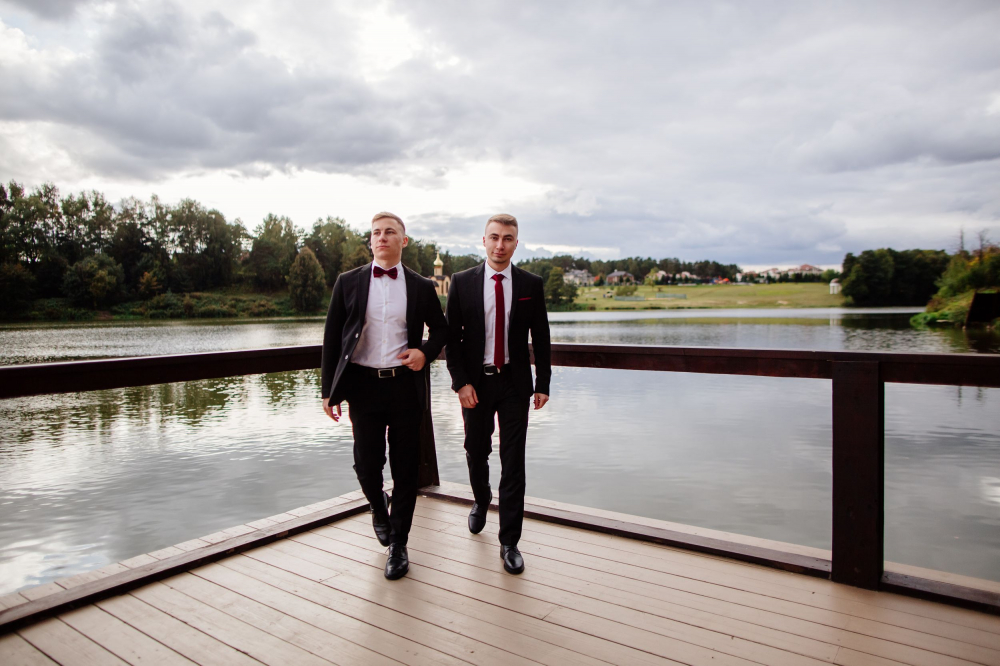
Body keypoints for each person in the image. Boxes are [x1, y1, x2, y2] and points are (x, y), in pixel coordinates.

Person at [321, 212, 447, 580]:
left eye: (390, 232)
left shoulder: (421, 286)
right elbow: (332, 338)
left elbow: (441, 330)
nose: (382, 237)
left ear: (403, 241)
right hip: (363, 386)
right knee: (366, 463)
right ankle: (379, 507)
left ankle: (399, 544)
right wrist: (329, 391)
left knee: (406, 468)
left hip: (405, 386)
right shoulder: (348, 282)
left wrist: (424, 352)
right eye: (376, 232)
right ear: (370, 240)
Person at [445, 213, 551, 574]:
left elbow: (541, 336)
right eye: (494, 237)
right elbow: (452, 341)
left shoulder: (531, 284)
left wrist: (543, 383)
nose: (500, 245)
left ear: (516, 244)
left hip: (515, 384)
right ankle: (481, 498)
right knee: (476, 449)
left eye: (507, 238)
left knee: (513, 461)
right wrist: (461, 383)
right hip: (476, 382)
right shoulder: (462, 282)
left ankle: (510, 542)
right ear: (484, 240)